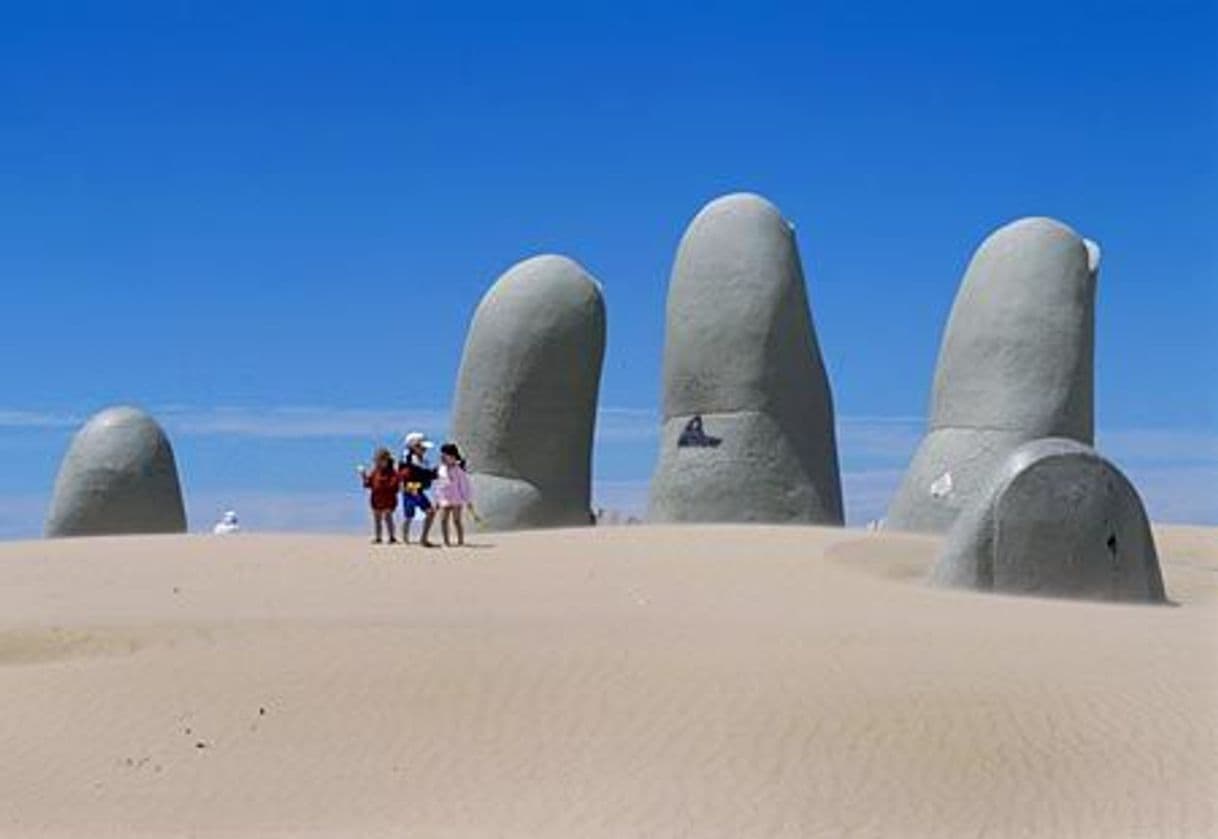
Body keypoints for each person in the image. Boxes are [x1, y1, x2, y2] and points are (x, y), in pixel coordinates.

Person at [399, 431, 438, 547]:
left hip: (415, 489)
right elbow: (421, 473)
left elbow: (425, 474)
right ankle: (410, 539)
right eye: (422, 447)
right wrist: (434, 473)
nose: (425, 450)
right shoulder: (409, 459)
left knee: (422, 513)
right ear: (413, 446)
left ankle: (421, 539)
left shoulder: (421, 460)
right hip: (412, 489)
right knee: (410, 516)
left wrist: (433, 474)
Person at [435, 442, 473, 547]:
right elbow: (439, 485)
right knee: (443, 520)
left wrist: (468, 500)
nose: (442, 456)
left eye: (445, 454)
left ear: (452, 456)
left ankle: (460, 541)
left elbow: (464, 486)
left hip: (456, 499)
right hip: (444, 499)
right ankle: (446, 542)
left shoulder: (458, 469)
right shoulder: (440, 469)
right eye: (442, 454)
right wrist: (437, 500)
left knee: (456, 520)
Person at [359, 447, 400, 544]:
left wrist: (383, 483)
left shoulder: (392, 472)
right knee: (377, 519)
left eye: (379, 461)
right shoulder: (375, 471)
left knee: (387, 517)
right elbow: (368, 484)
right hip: (376, 499)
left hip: (388, 499)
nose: (377, 463)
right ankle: (378, 537)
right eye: (376, 461)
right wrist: (363, 475)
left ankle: (392, 537)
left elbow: (395, 485)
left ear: (386, 460)